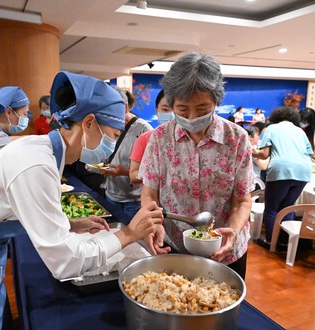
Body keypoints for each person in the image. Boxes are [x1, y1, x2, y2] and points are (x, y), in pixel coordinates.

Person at [0, 71, 163, 330]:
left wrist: (68, 224)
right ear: (89, 123)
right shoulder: (36, 164)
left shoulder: (42, 151)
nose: (111, 146)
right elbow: (66, 262)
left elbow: (12, 211)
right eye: (113, 135)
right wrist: (127, 234)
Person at [138, 52, 255, 279]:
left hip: (224, 248)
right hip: (174, 244)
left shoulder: (237, 139)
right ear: (172, 104)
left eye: (202, 110)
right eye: (182, 110)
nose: (192, 117)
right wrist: (153, 225)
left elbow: (242, 200)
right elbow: (150, 193)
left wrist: (233, 231)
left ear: (216, 102)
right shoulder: (160, 138)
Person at [253, 106, 313, 247]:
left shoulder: (271, 129)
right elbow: (309, 153)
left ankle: (271, 241)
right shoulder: (300, 131)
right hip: (303, 171)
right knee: (287, 207)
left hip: (281, 170)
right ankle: (286, 241)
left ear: (275, 118)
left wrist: (252, 152)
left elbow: (264, 154)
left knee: (272, 208)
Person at [99, 87, 153, 223]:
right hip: (109, 194)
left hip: (134, 200)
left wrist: (124, 172)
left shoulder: (144, 130)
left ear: (126, 107)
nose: (108, 116)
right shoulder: (106, 126)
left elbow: (152, 172)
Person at [129, 89, 173, 185]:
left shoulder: (192, 138)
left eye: (178, 110)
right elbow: (133, 175)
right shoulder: (146, 138)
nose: (172, 115)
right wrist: (157, 173)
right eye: (165, 109)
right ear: (157, 111)